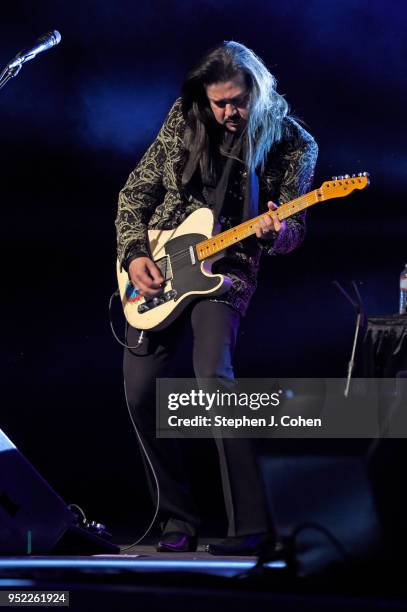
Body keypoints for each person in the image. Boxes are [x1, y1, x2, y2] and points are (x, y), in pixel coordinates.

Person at [115, 41, 318, 555]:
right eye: (219, 102)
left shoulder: (293, 144)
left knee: (214, 379)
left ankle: (252, 524)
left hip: (227, 270)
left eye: (237, 101)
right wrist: (135, 252)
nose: (228, 112)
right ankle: (175, 520)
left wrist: (276, 231)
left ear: (258, 89)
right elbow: (134, 192)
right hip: (160, 266)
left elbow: (294, 230)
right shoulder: (186, 117)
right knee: (139, 392)